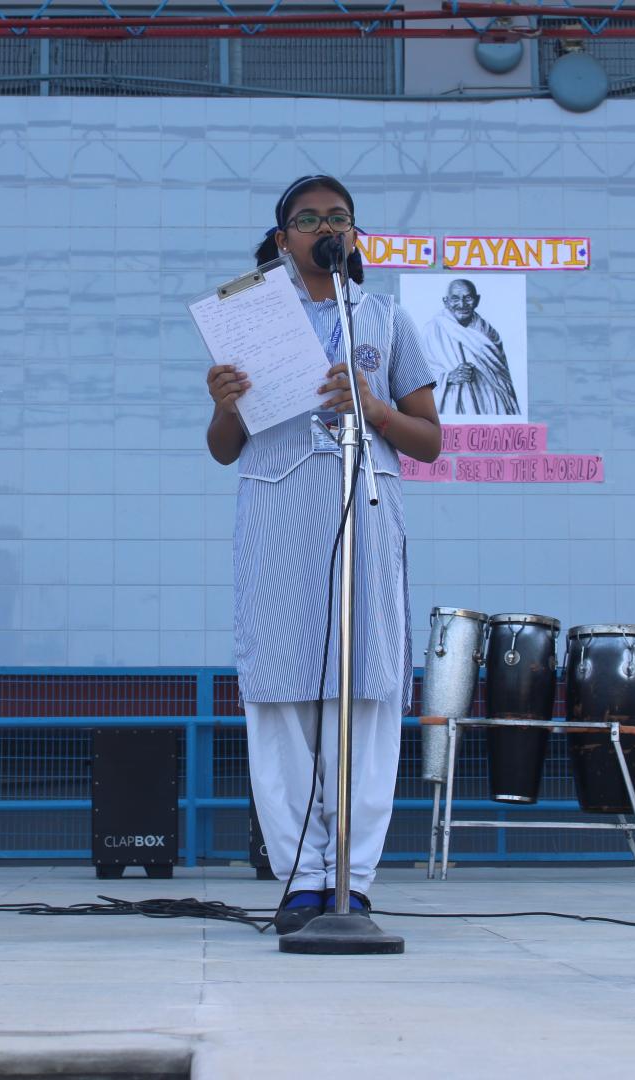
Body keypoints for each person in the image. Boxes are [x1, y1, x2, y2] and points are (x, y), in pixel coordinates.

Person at [205, 175, 442, 934]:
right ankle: (302, 879)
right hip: (279, 523)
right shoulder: (250, 321)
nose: (324, 228)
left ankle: (353, 877)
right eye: (307, 219)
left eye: (338, 217)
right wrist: (223, 403)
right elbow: (223, 448)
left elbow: (430, 441)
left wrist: (373, 408)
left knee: (365, 695)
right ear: (283, 240)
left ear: (354, 234)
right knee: (281, 698)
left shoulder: (386, 318)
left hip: (363, 520)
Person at [421, 277, 520, 416]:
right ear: (446, 301)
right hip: (452, 408)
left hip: (491, 407)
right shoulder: (432, 331)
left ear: (477, 300)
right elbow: (417, 377)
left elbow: (503, 378)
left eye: (468, 298)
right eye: (455, 298)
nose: (462, 304)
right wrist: (448, 377)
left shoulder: (488, 332)